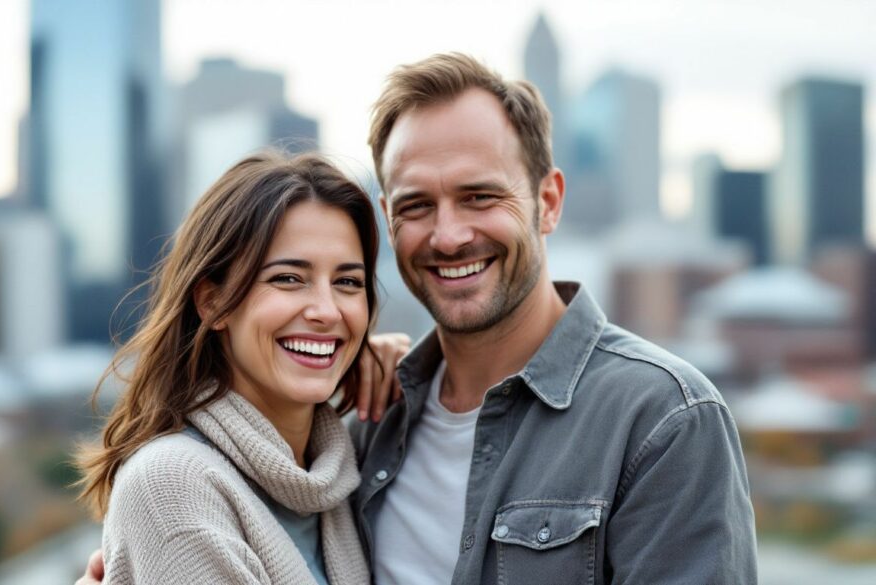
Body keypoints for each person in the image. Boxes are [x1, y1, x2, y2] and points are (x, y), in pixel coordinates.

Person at [80, 52, 757, 584]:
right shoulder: (370, 426)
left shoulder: (663, 420)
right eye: (416, 206)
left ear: (547, 201)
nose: (449, 234)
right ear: (388, 219)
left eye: (479, 195)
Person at [75, 151, 391, 584]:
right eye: (288, 278)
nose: (327, 310)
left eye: (348, 282)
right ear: (213, 303)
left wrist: (407, 370)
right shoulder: (172, 485)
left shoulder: (331, 478)